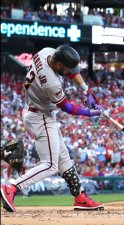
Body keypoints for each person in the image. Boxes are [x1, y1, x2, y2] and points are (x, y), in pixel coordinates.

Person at [1, 45, 105, 212]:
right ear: (58, 64)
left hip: (39, 112)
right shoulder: (51, 83)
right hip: (40, 116)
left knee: (63, 158)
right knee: (50, 165)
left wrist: (86, 91)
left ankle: (80, 197)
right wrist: (89, 113)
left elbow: (71, 71)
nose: (69, 71)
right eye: (65, 67)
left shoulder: (48, 52)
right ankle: (12, 187)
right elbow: (66, 108)